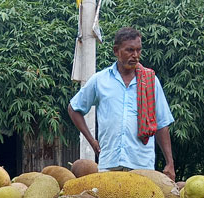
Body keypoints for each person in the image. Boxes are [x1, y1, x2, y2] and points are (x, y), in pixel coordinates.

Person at [68, 27, 175, 181]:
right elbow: (74, 108)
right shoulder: (100, 80)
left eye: (138, 50)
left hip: (142, 165)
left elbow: (162, 124)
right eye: (130, 50)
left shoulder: (150, 81)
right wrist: (92, 141)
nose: (135, 56)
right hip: (109, 163)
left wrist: (169, 163)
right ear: (116, 51)